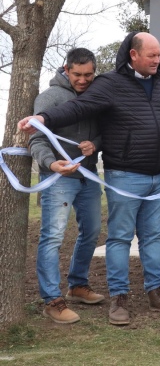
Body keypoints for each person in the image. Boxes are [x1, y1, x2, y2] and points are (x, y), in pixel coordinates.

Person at [19, 32, 160, 325]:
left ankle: (156, 292)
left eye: (159, 55)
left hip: (154, 175)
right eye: (152, 55)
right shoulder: (108, 84)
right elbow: (76, 109)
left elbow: (141, 124)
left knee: (148, 236)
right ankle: (116, 299)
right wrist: (43, 119)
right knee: (114, 238)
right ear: (134, 55)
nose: (158, 60)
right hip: (120, 176)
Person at [29, 48, 103, 324]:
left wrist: (95, 144)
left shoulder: (96, 96)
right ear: (66, 69)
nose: (83, 80)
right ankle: (52, 300)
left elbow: (104, 132)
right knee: (52, 238)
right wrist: (52, 164)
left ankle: (78, 285)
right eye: (77, 75)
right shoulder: (50, 98)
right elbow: (36, 139)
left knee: (93, 231)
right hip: (58, 179)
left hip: (89, 176)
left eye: (89, 75)